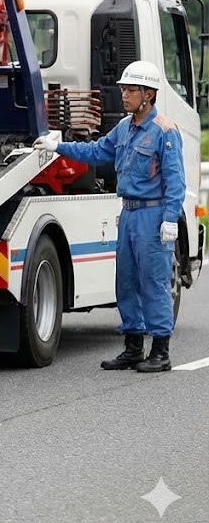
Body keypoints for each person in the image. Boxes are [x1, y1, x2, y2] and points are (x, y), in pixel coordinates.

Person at [33, 60, 183, 373]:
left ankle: (160, 350)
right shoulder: (124, 129)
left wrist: (171, 218)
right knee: (125, 282)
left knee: (153, 283)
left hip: (152, 216)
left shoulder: (164, 132)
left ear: (148, 94)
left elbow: (175, 181)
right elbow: (97, 151)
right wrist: (58, 147)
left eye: (130, 90)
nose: (124, 95)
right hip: (128, 214)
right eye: (124, 89)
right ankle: (133, 347)